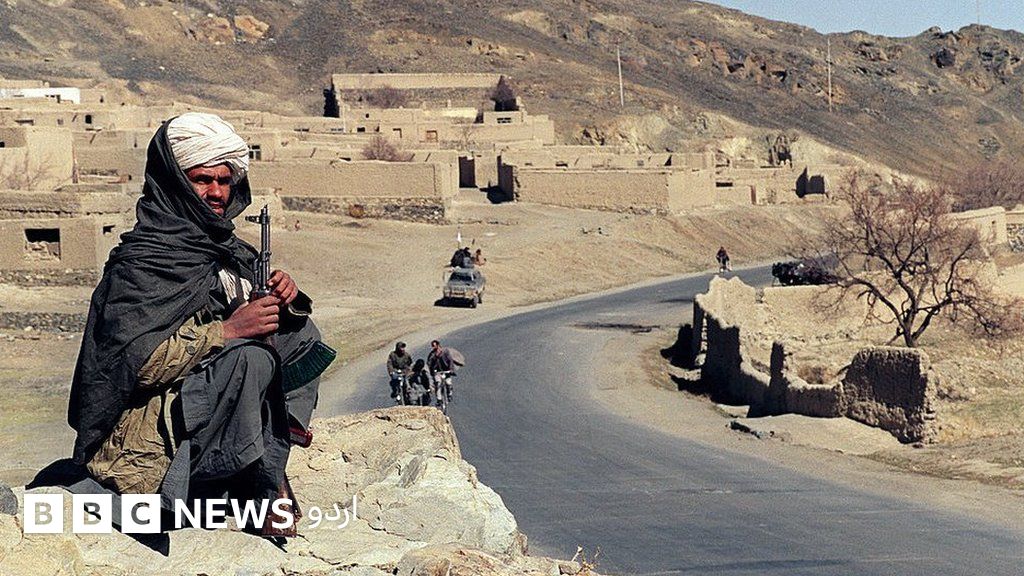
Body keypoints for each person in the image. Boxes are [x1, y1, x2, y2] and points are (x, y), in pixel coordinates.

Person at [67, 112, 330, 539]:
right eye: (202, 180)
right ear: (174, 182)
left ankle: (271, 451)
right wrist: (228, 331)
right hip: (149, 427)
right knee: (249, 358)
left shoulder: (225, 249)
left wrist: (284, 301)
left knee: (300, 335)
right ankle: (253, 485)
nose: (217, 192)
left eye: (224, 181)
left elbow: (254, 317)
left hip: (204, 398)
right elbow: (137, 365)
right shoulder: (142, 264)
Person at [426, 339, 455, 404]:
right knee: (438, 383)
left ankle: (449, 394)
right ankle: (439, 399)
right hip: (437, 372)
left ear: (438, 345)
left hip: (446, 371)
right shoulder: (432, 354)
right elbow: (429, 363)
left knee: (448, 383)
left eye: (434, 345)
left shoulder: (445, 351)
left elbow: (450, 361)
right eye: (432, 346)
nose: (433, 347)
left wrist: (451, 369)